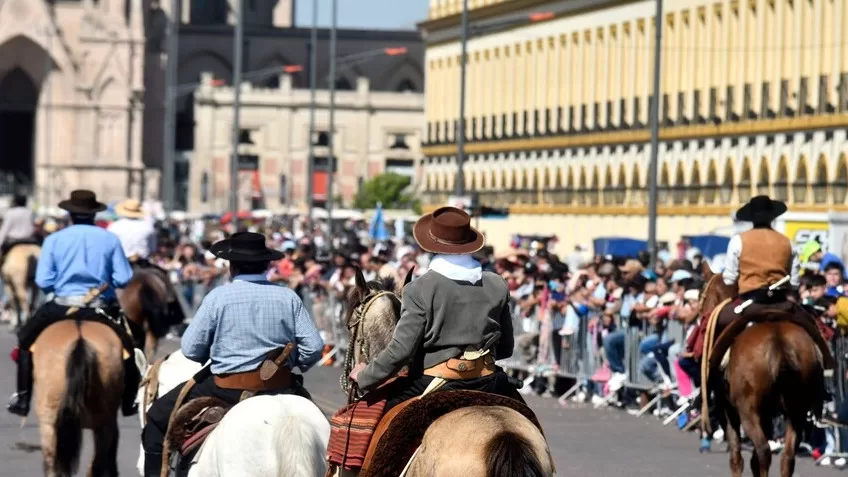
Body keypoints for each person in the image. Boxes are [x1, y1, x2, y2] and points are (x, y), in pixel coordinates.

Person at [141, 232, 325, 477]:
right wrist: (292, 363)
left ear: (231, 266)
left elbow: (191, 349)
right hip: (281, 386)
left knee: (155, 420)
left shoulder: (218, 298)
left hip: (225, 387)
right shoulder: (288, 297)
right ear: (267, 265)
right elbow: (314, 347)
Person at [350, 206, 518, 411]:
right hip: (488, 380)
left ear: (431, 245)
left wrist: (365, 375)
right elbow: (506, 348)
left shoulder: (419, 288)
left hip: (437, 382)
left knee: (363, 416)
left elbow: (401, 351)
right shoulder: (497, 284)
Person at [7, 190, 138, 417]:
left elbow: (43, 281)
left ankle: (23, 397)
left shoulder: (54, 239)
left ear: (69, 214)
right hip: (100, 307)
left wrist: (58, 287)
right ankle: (129, 401)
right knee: (130, 346)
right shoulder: (109, 239)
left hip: (61, 306)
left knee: (25, 340)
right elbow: (124, 278)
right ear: (94, 214)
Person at [716, 194, 833, 368]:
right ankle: (825, 367)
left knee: (715, 324)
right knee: (812, 327)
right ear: (772, 217)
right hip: (781, 302)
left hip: (750, 303)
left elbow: (729, 278)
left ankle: (711, 374)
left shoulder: (738, 241)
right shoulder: (787, 242)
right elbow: (793, 282)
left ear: (751, 218)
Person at [108, 199, 186, 327]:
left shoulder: (114, 226)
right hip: (143, 263)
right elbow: (152, 249)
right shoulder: (147, 227)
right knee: (163, 277)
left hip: (122, 263)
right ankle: (175, 312)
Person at [0, 193, 37, 266]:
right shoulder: (30, 212)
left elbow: (5, 229)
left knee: (2, 262)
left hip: (12, 242)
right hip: (29, 240)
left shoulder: (10, 212)